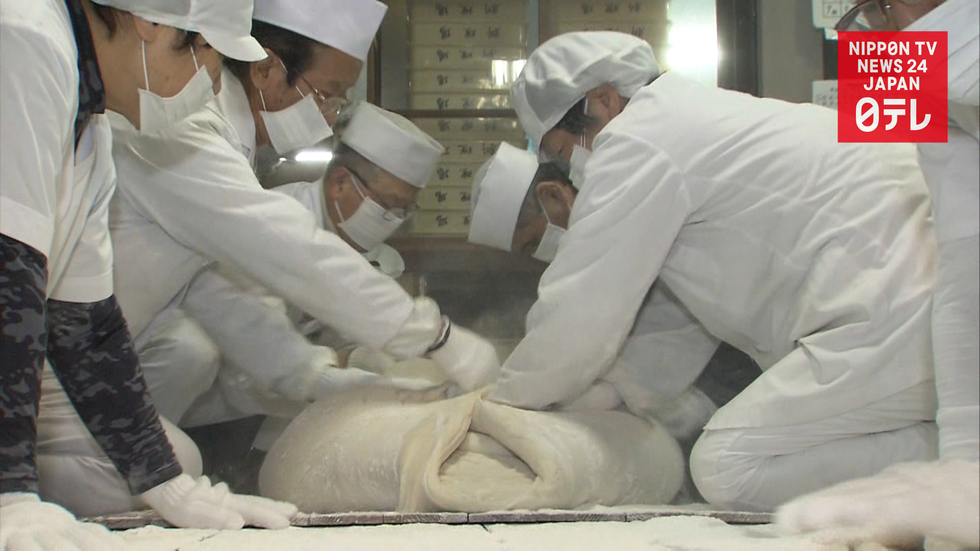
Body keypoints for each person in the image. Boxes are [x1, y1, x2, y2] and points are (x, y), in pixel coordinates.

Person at [490, 31, 939, 511]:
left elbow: (582, 308)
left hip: (896, 303)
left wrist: (504, 406)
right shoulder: (692, 123)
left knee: (727, 465)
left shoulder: (640, 139)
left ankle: (950, 465)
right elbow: (674, 324)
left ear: (604, 99)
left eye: (567, 149)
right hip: (914, 295)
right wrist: (598, 397)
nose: (573, 166)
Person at [100, 0, 500, 431]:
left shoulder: (233, 142)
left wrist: (315, 377)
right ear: (266, 69)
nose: (329, 117)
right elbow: (291, 250)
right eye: (326, 95)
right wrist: (433, 335)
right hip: (78, 368)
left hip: (108, 360)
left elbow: (215, 294)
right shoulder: (187, 133)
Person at [0, 0, 295, 547]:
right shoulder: (24, 41)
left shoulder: (90, 126)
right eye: (206, 50)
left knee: (173, 459)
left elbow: (87, 328)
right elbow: (5, 282)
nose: (210, 83)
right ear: (150, 20)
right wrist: (8, 491)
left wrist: (167, 484)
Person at [777, 1, 979, 547]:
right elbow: (967, 262)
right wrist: (965, 464)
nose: (878, 35)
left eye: (879, 10)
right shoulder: (910, 63)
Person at [170, 101, 449, 430]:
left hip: (269, 402)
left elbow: (339, 323)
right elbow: (247, 367)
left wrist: (361, 354)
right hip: (200, 411)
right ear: (339, 182)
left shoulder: (350, 240)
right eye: (389, 205)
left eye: (404, 211)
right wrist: (336, 377)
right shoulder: (273, 226)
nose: (393, 220)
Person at [468, 143, 761, 444]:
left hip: (737, 357)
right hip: (690, 368)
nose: (538, 255)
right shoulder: (595, 230)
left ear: (553, 195)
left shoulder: (624, 210)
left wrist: (506, 406)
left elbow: (574, 335)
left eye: (532, 242)